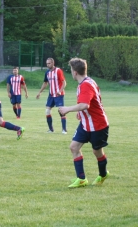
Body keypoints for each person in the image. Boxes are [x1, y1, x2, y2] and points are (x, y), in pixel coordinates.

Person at [58, 57, 109, 188]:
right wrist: (80, 113)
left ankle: (103, 174)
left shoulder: (86, 85)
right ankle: (81, 179)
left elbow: (85, 105)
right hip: (86, 124)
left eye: (71, 70)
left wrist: (67, 109)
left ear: (75, 72)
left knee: (97, 152)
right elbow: (88, 104)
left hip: (98, 125)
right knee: (74, 147)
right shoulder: (86, 82)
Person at [36, 58, 67, 134]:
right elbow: (45, 83)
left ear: (53, 63)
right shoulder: (47, 72)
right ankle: (51, 129)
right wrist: (40, 92)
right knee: (47, 111)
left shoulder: (58, 71)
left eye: (49, 63)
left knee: (61, 111)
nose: (48, 65)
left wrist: (60, 91)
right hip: (51, 95)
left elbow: (64, 83)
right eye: (47, 63)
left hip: (59, 95)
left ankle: (64, 130)